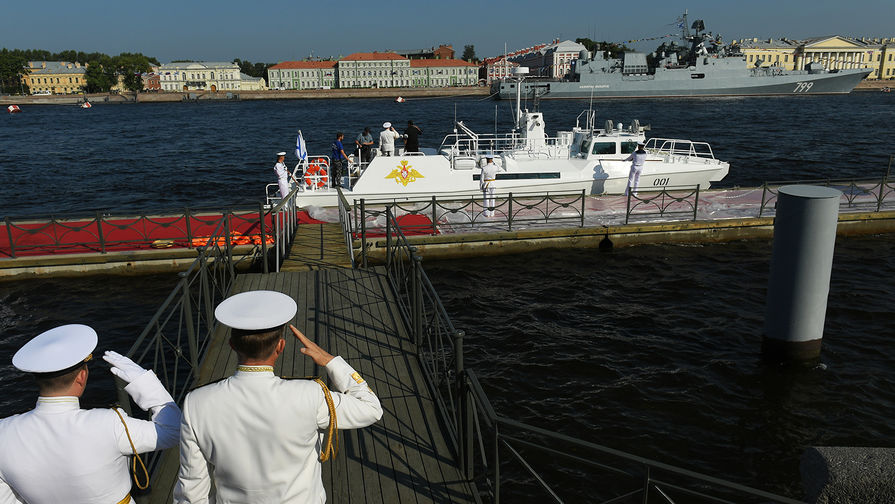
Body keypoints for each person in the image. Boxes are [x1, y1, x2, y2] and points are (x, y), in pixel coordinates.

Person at [174, 290, 383, 504]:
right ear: (281, 346)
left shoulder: (197, 404)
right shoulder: (311, 395)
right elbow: (371, 408)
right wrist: (331, 361)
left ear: (232, 345)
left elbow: (191, 494)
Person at [0, 324, 180, 504]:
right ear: (82, 376)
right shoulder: (109, 424)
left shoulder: (3, 432)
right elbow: (174, 430)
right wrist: (145, 383)